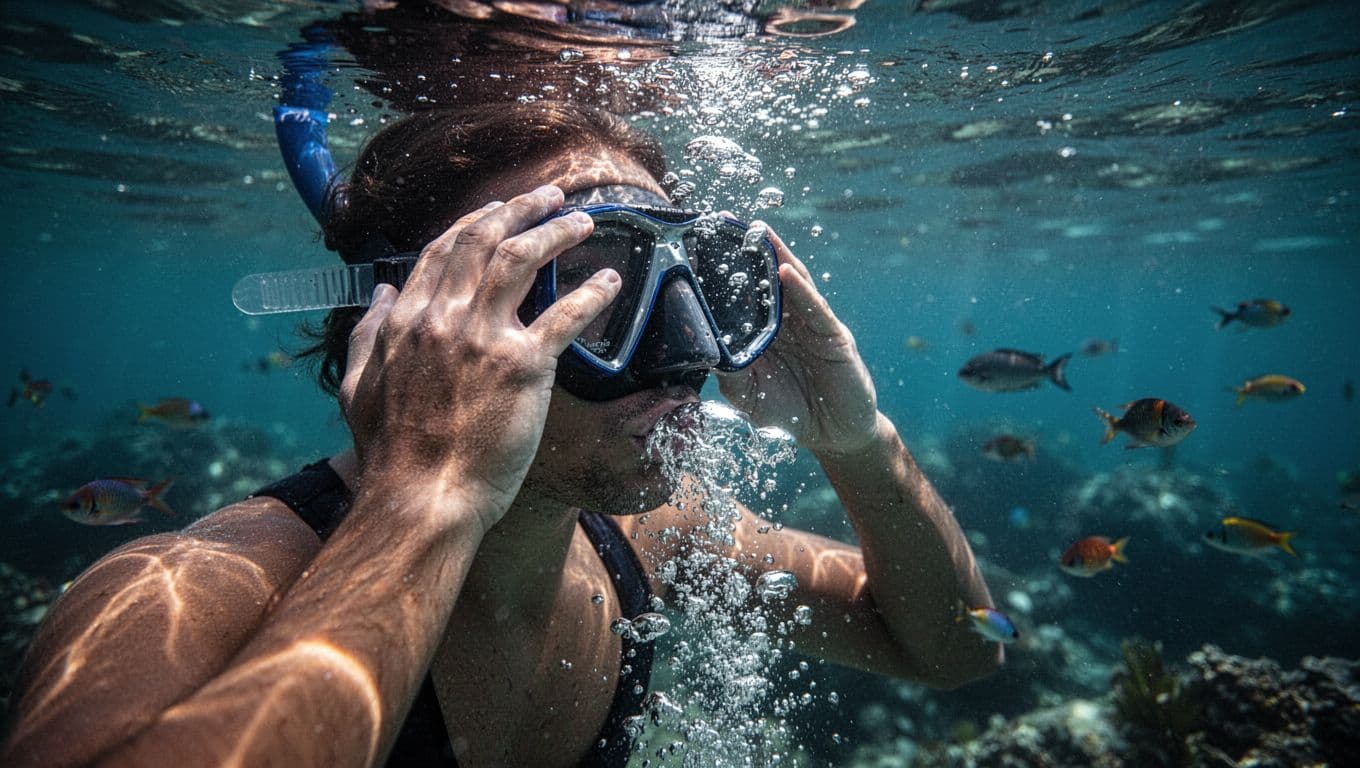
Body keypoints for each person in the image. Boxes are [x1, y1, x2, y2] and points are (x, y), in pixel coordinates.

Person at [0, 102, 999, 768]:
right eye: (593, 291)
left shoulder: (650, 538)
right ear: (414, 328)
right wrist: (425, 496)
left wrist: (857, 441)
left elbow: (953, 651)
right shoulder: (193, 594)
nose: (686, 350)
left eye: (690, 282)